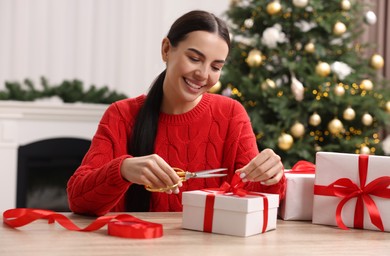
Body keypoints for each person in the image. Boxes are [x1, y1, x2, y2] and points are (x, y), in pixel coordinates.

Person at [67, 10, 286, 216]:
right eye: (194, 59)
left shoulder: (231, 114)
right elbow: (78, 200)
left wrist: (272, 177)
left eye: (216, 67)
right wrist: (122, 170)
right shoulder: (121, 115)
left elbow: (257, 202)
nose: (203, 75)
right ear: (166, 49)